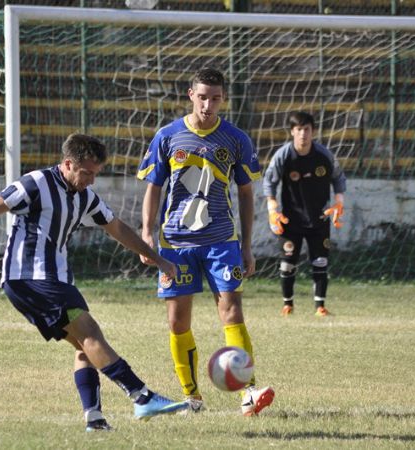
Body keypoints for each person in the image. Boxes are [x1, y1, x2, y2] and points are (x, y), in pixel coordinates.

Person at [0, 133, 188, 432]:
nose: (91, 181)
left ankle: (94, 419)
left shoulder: (85, 197)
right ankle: (142, 395)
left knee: (86, 345)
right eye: (86, 173)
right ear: (68, 164)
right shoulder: (35, 183)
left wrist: (156, 258)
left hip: (51, 279)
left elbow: (117, 228)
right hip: (31, 276)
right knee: (91, 332)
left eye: (96, 174)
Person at [137, 68, 275, 416]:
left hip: (221, 242)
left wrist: (245, 244)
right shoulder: (168, 136)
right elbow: (154, 186)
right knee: (177, 322)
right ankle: (192, 398)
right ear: (190, 95)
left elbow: (246, 192)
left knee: (232, 311)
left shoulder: (236, 139)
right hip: (175, 244)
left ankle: (248, 392)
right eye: (202, 97)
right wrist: (146, 232)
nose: (208, 105)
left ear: (223, 99)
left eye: (215, 98)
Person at [263, 111, 347, 317]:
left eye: (307, 129)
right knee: (287, 263)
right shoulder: (284, 155)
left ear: (313, 131)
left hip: (319, 218)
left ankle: (320, 306)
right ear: (292, 132)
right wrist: (272, 208)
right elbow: (269, 181)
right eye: (299, 130)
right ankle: (287, 304)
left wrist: (339, 202)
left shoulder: (323, 155)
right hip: (291, 220)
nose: (303, 134)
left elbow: (339, 178)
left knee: (320, 263)